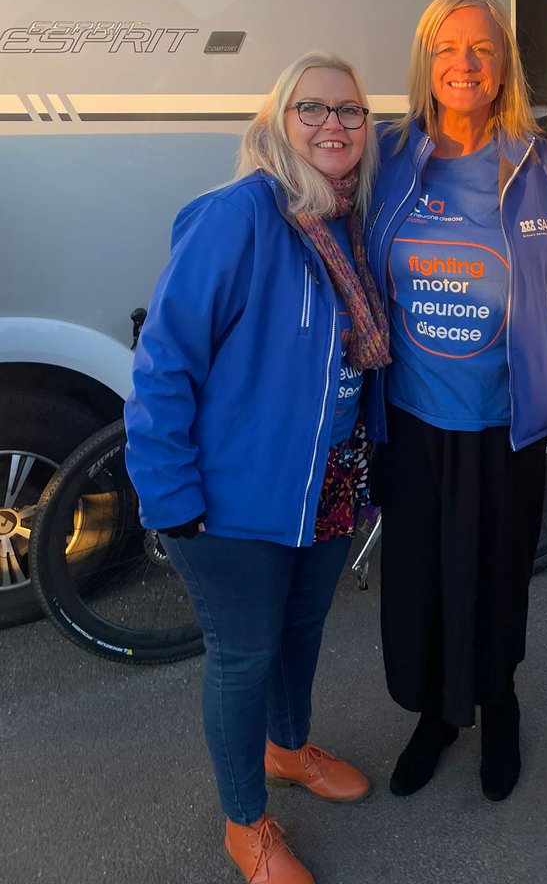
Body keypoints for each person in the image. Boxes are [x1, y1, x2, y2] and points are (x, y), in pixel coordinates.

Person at [124, 52, 389, 884]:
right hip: (235, 492)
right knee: (242, 656)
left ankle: (287, 747)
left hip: (325, 482)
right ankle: (247, 825)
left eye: (351, 111)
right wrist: (168, 494)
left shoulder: (350, 219)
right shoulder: (239, 216)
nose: (333, 126)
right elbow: (165, 362)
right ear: (277, 121)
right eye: (312, 108)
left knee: (300, 632)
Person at [364, 0, 547, 802]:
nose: (465, 64)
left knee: (496, 574)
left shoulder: (539, 159)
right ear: (426, 62)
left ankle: (499, 703)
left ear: (504, 66)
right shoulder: (387, 158)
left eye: (482, 49)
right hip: (411, 419)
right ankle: (437, 716)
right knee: (417, 580)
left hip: (503, 421)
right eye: (448, 49)